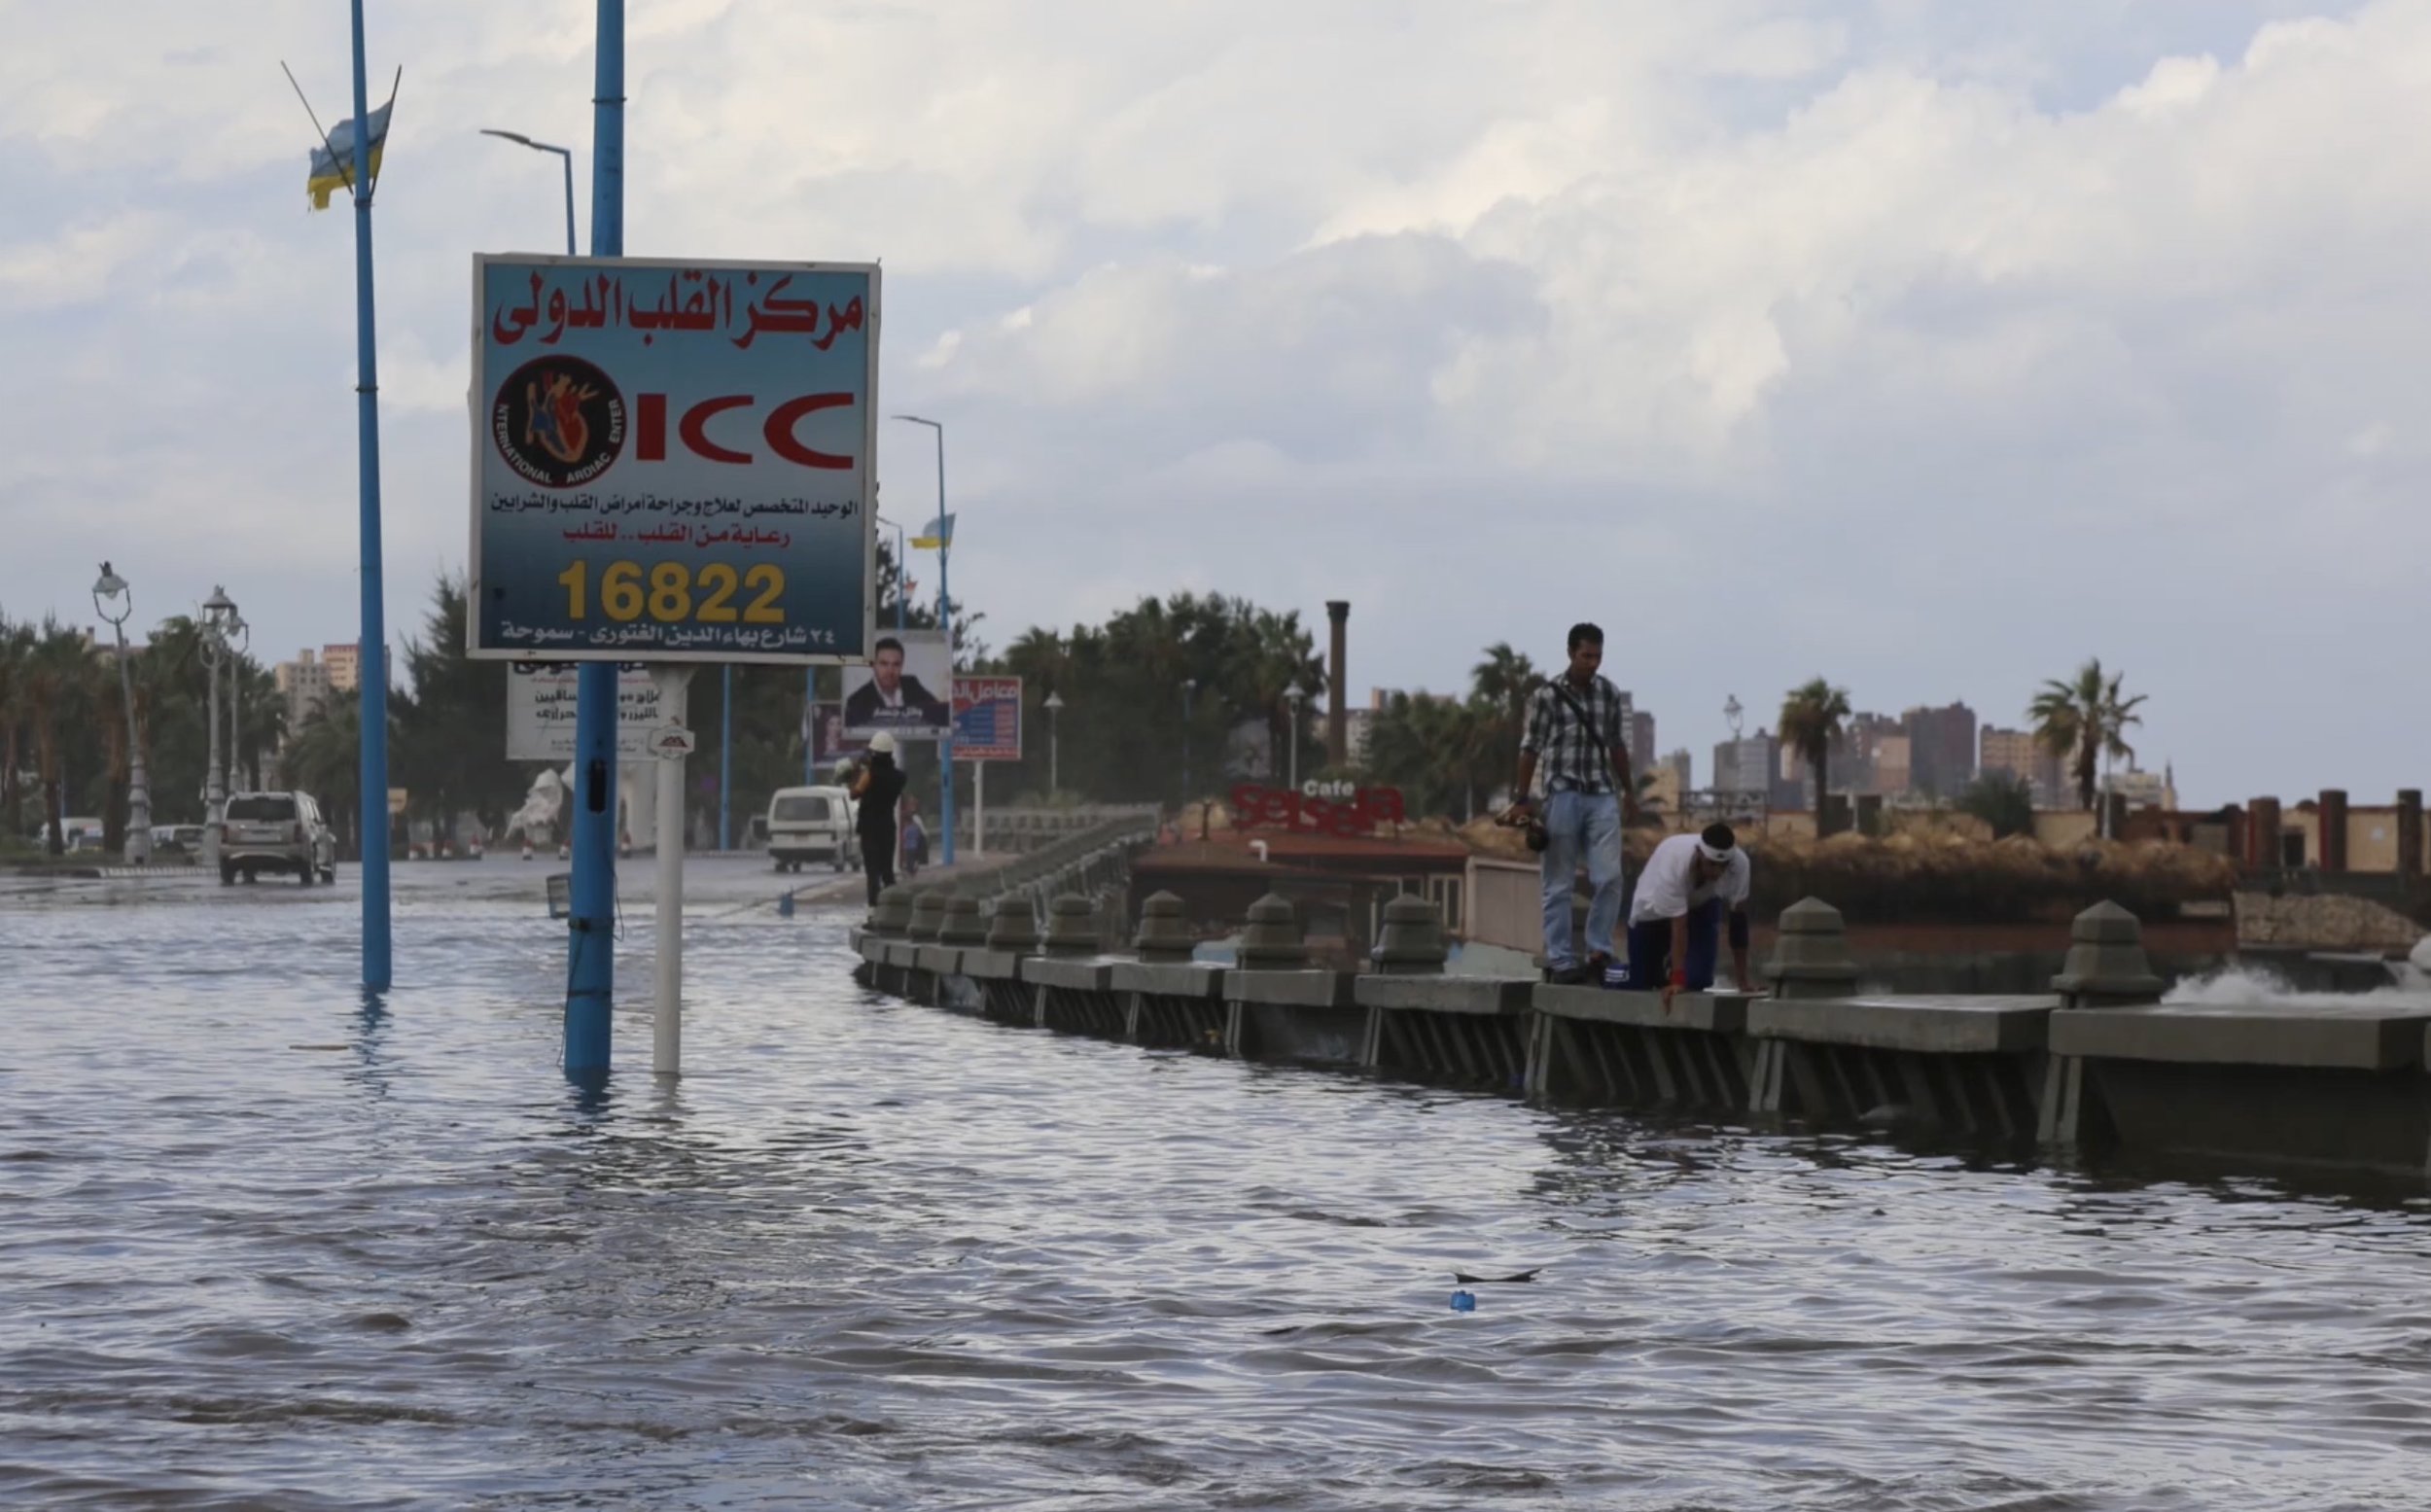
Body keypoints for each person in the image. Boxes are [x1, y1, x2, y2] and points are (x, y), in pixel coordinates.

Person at [1503, 622, 1634, 984]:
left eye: (1598, 656)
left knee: (1608, 877)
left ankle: (1598, 950)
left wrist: (1629, 790)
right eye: (1586, 655)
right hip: (1562, 792)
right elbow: (1530, 748)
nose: (1593, 663)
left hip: (1602, 792)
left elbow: (1616, 745)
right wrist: (1521, 798)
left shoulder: (1608, 693)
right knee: (1558, 883)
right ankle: (1560, 957)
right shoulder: (1547, 696)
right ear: (1571, 653)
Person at [1618, 822, 1755, 1006]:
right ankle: (1607, 969)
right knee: (1643, 981)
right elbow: (1679, 926)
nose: (1717, 872)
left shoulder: (1740, 865)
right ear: (1699, 853)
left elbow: (1738, 922)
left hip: (1701, 907)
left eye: (1723, 866)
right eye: (1711, 864)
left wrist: (1743, 981)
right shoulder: (1675, 860)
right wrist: (1677, 981)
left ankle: (1672, 968)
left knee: (1698, 980)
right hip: (1653, 913)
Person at [843, 637, 948, 730]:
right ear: (873, 664)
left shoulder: (911, 684)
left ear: (902, 665)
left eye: (896, 664)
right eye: (884, 664)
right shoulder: (856, 701)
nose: (890, 671)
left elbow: (938, 713)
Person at [851, 733, 906, 905]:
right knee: (887, 870)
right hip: (888, 827)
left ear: (874, 753)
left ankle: (874, 910)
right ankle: (894, 909)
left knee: (872, 872)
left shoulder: (869, 775)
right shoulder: (900, 777)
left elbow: (854, 794)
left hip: (869, 828)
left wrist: (856, 769)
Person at [899, 800, 929, 876]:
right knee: (913, 858)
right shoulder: (914, 823)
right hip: (915, 844)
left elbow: (905, 837)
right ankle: (912, 870)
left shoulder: (913, 820)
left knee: (911, 858)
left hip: (911, 845)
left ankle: (911, 871)